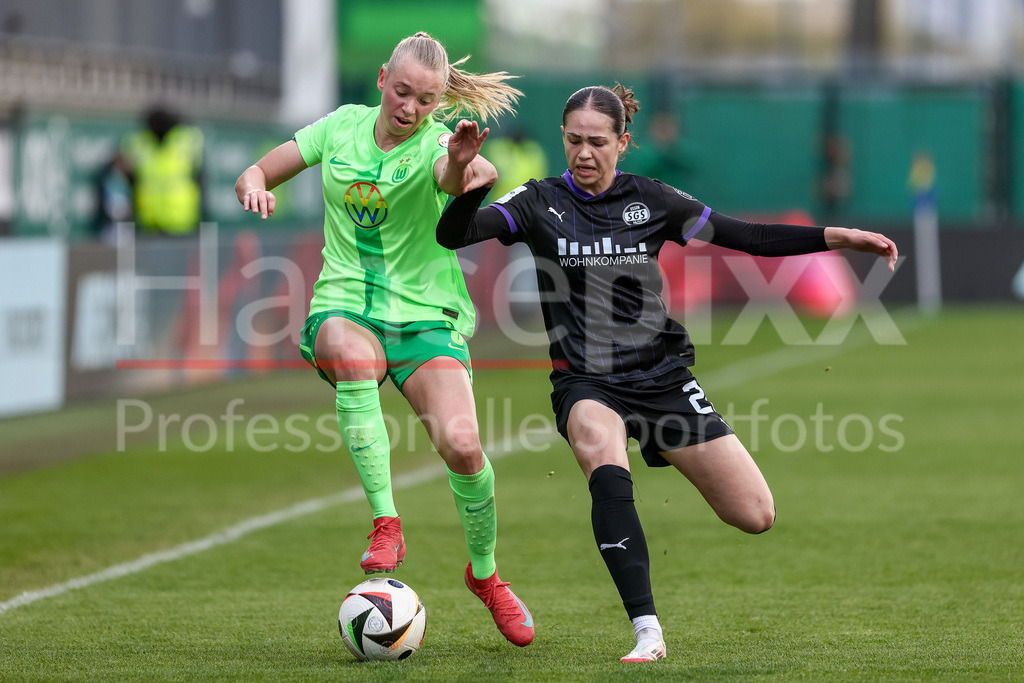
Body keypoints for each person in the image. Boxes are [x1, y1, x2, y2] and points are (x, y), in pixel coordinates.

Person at [437, 84, 898, 662]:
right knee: (603, 461)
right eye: (574, 140)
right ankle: (647, 630)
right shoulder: (537, 200)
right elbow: (454, 235)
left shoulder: (652, 199)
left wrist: (837, 238)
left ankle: (661, 471)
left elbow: (746, 236)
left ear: (622, 143)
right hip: (587, 381)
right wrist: (464, 178)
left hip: (660, 378)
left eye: (598, 142)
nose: (584, 152)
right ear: (563, 138)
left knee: (755, 514)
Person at [234, 32, 534, 647]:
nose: (411, 109)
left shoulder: (434, 146)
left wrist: (461, 160)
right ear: (380, 80)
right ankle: (386, 522)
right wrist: (253, 186)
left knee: (463, 449)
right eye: (402, 93)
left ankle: (487, 577)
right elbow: (261, 168)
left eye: (427, 100)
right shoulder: (339, 128)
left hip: (426, 319)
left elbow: (464, 177)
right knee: (350, 354)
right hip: (343, 305)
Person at [116, 106, 204, 236]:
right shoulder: (139, 143)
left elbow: (200, 178)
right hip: (148, 222)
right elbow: (128, 177)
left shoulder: (186, 141)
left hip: (182, 222)